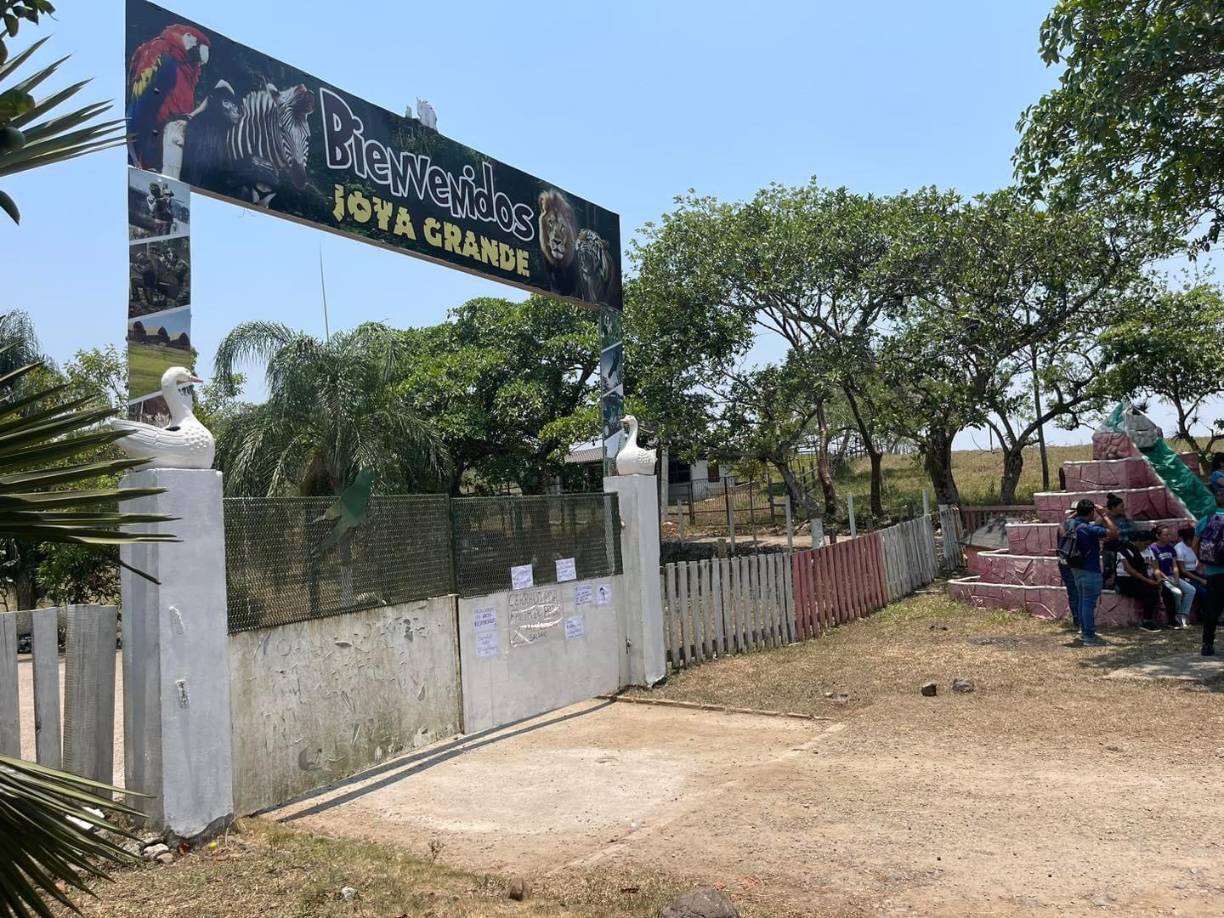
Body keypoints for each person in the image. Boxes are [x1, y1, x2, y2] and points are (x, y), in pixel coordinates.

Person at [1064, 498, 1119, 646]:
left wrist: (1079, 511)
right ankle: (1089, 637)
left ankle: (1084, 630)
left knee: (1082, 601)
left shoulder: (1071, 524)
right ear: (1091, 513)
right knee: (1088, 604)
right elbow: (1114, 533)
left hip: (1076, 569)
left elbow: (1067, 519)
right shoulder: (1090, 529)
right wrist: (1104, 515)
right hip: (1090, 570)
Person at [1113, 531, 1165, 632]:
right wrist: (1147, 581)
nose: (1147, 547)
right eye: (1145, 544)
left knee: (1161, 591)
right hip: (1125, 580)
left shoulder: (1142, 551)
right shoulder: (1124, 550)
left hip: (1140, 578)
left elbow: (1154, 567)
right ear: (1138, 541)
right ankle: (1146, 621)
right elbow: (1130, 570)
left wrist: (1158, 580)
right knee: (1150, 593)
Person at [1193, 489, 1224, 656]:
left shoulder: (1205, 520)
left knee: (1212, 609)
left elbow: (1194, 545)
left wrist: (1202, 562)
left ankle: (1207, 645)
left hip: (1213, 572)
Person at [1057, 510, 1081, 629]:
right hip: (1073, 563)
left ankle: (1077, 619)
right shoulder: (1078, 525)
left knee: (1073, 592)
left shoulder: (1063, 525)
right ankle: (1078, 619)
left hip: (1065, 562)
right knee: (1076, 592)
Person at [1176, 525, 1208, 605]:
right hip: (1185, 575)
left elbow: (1200, 562)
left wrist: (1202, 572)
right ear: (1188, 539)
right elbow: (1183, 570)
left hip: (1195, 571)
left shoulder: (1196, 546)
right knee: (1202, 591)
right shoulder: (1179, 548)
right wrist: (1200, 579)